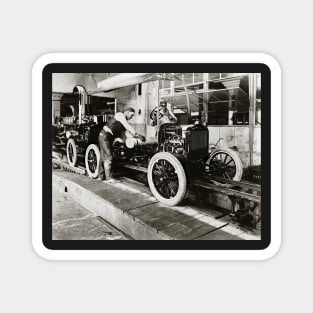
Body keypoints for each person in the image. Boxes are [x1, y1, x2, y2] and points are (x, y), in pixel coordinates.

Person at [98, 107, 145, 183]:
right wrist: (136, 134)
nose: (132, 117)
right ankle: (109, 178)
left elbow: (124, 135)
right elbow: (127, 126)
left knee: (103, 157)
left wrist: (133, 141)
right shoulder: (120, 115)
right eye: (131, 115)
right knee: (109, 157)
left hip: (107, 137)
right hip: (104, 136)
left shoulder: (122, 123)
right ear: (126, 112)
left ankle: (100, 176)